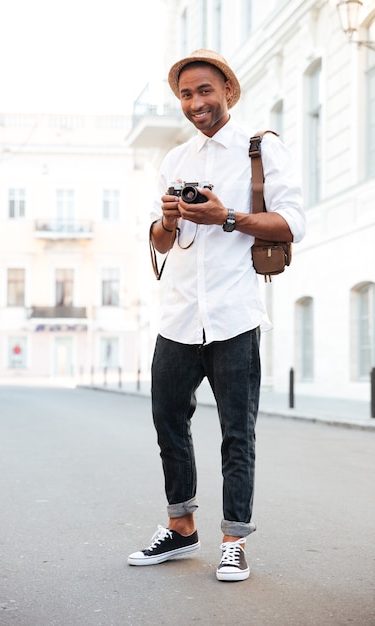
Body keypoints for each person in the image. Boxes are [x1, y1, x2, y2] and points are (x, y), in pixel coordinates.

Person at [127, 49, 306, 581]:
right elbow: (164, 242)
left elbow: (292, 223)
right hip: (178, 316)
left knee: (237, 433)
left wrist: (225, 216)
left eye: (205, 90)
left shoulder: (260, 149)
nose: (195, 103)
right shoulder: (175, 159)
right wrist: (165, 219)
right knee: (168, 423)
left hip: (233, 316)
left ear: (228, 89)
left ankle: (234, 540)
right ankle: (180, 528)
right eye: (185, 94)